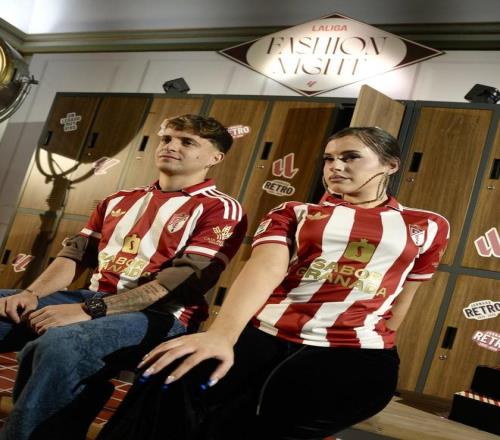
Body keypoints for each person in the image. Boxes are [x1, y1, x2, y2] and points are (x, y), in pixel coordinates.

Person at [98, 126, 450, 440]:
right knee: (167, 380)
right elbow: (264, 268)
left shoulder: (428, 225)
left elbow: (405, 297)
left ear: (390, 165)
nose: (335, 166)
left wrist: (374, 330)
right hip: (268, 334)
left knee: (263, 421)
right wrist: (223, 334)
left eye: (350, 157)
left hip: (354, 352)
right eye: (329, 159)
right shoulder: (294, 212)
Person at [0, 114, 247, 440]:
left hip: (160, 315)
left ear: (215, 158)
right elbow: (76, 256)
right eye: (167, 138)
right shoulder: (119, 199)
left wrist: (88, 311)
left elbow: (175, 283)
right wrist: (31, 293)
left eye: (187, 142)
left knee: (60, 346)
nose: (171, 146)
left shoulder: (221, 209)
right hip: (92, 299)